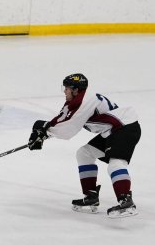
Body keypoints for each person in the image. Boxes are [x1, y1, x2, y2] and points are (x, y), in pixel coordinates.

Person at [27, 73, 141, 218]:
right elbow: (62, 120)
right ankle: (91, 197)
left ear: (76, 89)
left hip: (125, 128)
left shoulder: (84, 101)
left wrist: (44, 130)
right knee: (84, 154)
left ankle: (126, 202)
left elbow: (68, 130)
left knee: (116, 163)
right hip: (111, 131)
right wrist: (44, 134)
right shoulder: (76, 101)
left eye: (67, 88)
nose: (64, 91)